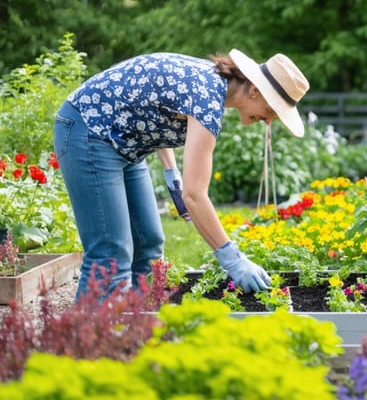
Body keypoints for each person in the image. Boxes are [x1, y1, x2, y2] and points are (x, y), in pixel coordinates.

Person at [53, 49, 309, 299]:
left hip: (125, 144)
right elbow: (195, 195)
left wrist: (171, 170)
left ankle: (137, 326)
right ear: (255, 90)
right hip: (88, 131)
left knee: (148, 243)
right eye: (272, 111)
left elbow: (153, 110)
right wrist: (233, 260)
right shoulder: (207, 98)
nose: (268, 121)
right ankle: (91, 337)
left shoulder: (211, 85)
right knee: (111, 253)